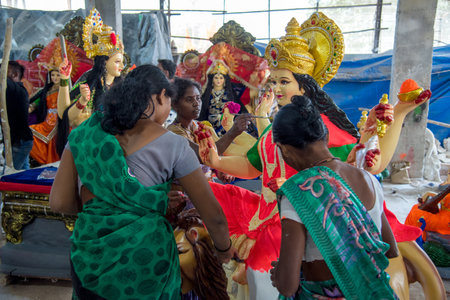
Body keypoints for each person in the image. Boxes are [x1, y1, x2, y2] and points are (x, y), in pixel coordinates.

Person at [49, 64, 234, 299]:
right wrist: (224, 252)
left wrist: (103, 203)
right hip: (146, 261)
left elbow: (60, 203)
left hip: (89, 258)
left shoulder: (85, 135)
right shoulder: (175, 145)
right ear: (160, 97)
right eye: (169, 103)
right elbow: (214, 216)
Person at [269, 95, 398, 299]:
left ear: (284, 150)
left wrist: (278, 275)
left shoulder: (299, 191)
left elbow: (287, 285)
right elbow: (390, 250)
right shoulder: (370, 179)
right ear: (325, 136)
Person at [56, 7, 124, 157]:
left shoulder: (122, 87)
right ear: (104, 62)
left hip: (118, 146)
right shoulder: (90, 81)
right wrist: (64, 80)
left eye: (122, 62)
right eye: (117, 62)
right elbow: (65, 115)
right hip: (89, 147)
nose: (122, 66)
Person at [199, 61, 248, 137]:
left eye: (221, 78)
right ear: (212, 80)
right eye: (216, 78)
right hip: (210, 126)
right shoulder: (208, 94)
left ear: (225, 80)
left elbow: (239, 110)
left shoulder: (229, 94)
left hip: (226, 126)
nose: (218, 80)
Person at [5, 61, 34, 170]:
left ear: (15, 75)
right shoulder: (12, 91)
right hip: (20, 141)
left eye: (4, 72)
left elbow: (6, 82)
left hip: (20, 142)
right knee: (23, 174)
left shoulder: (18, 90)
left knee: (9, 175)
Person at [28, 69, 61, 165]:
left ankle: (51, 161)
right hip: (47, 120)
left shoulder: (65, 89)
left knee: (53, 141)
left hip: (58, 120)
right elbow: (36, 103)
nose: (55, 78)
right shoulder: (46, 90)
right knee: (30, 131)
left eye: (58, 75)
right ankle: (44, 160)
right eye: (53, 75)